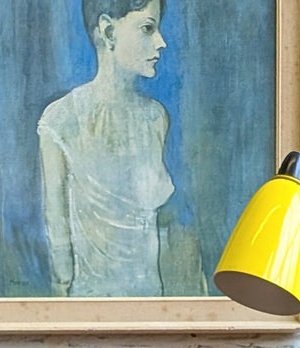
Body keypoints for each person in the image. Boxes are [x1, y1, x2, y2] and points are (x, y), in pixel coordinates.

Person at [38, 0, 202, 298]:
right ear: (108, 31)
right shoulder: (60, 119)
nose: (161, 42)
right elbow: (57, 226)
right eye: (147, 28)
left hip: (152, 298)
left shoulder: (155, 117)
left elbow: (160, 222)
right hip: (88, 302)